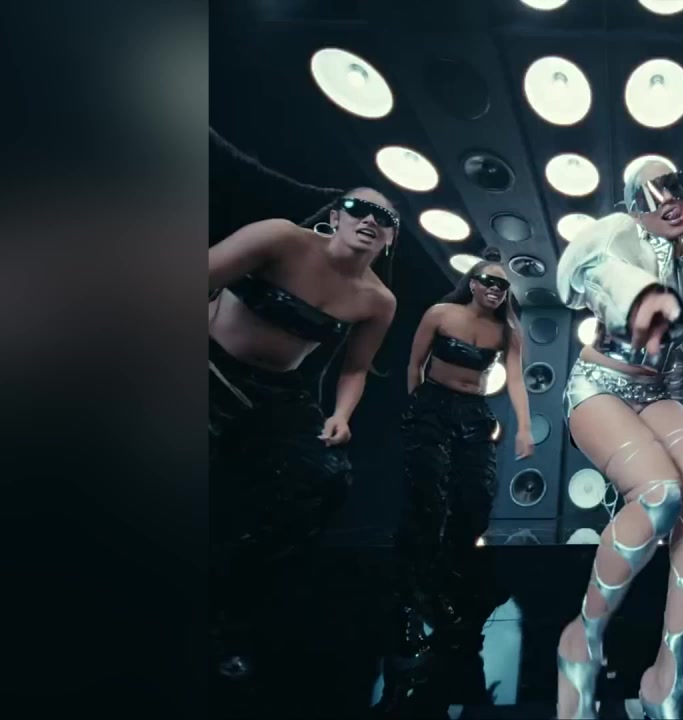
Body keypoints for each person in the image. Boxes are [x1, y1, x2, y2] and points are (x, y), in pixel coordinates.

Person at [555, 161, 683, 719]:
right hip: (598, 385)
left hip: (652, 393)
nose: (669, 199)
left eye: (676, 186)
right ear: (633, 206)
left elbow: (679, 348)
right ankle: (581, 638)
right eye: (653, 193)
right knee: (660, 494)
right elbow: (585, 283)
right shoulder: (615, 237)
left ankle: (668, 676)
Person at [208, 188, 399, 681]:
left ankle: (229, 605)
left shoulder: (378, 300)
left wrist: (342, 415)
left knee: (325, 480)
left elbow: (356, 368)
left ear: (390, 238)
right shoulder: (279, 237)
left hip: (277, 389)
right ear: (336, 216)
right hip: (209, 364)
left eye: (384, 217)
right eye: (359, 208)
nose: (370, 220)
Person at [378, 260, 534, 710]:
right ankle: (414, 597)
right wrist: (418, 412)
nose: (496, 289)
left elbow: (517, 379)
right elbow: (415, 364)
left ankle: (446, 584)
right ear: (473, 283)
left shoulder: (507, 331)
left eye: (503, 285)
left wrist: (524, 428)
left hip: (474, 412)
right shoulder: (440, 314)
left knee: (476, 501)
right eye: (489, 281)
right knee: (428, 498)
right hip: (432, 405)